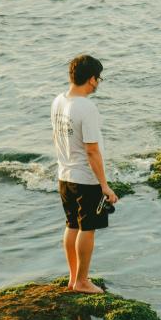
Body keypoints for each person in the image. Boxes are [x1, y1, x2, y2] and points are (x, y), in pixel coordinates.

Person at [51, 54, 117, 294]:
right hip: (84, 178)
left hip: (65, 175)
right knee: (87, 228)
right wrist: (105, 186)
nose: (98, 83)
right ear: (91, 79)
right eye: (98, 78)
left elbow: (57, 137)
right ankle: (82, 281)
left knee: (72, 225)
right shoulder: (87, 107)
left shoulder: (58, 101)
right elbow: (92, 151)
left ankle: (73, 278)